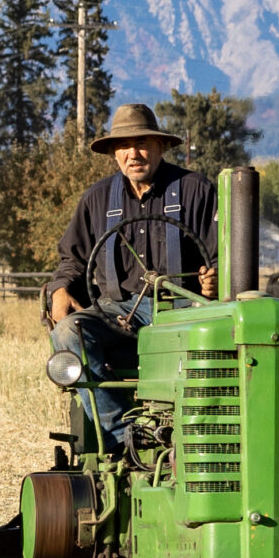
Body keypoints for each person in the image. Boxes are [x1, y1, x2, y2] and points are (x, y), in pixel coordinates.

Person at [44, 102, 219, 441]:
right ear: (113, 153)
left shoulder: (195, 190)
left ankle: (202, 434)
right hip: (119, 314)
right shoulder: (96, 199)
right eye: (124, 145)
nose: (133, 153)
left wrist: (214, 279)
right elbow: (73, 260)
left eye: (142, 144)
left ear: (161, 146)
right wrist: (61, 288)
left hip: (185, 313)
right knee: (67, 333)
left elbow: (222, 259)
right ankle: (127, 435)